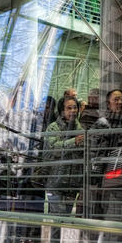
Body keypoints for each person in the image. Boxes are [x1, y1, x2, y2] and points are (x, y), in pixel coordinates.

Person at [44, 96, 84, 225]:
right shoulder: (53, 128)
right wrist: (74, 142)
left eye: (75, 107)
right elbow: (53, 149)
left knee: (65, 220)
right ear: (62, 111)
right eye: (69, 108)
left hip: (73, 184)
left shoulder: (81, 130)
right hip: (56, 183)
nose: (73, 111)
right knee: (57, 221)